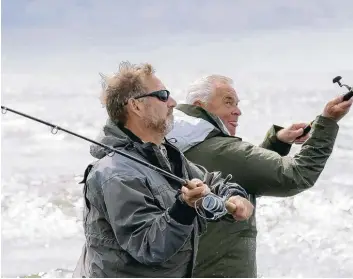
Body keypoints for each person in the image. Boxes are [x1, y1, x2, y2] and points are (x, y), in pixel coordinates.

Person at [73, 64, 254, 278]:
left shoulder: (166, 156)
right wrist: (185, 207)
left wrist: (236, 198)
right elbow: (149, 246)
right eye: (163, 96)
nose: (173, 103)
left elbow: (213, 182)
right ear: (136, 106)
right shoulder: (115, 174)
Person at [165, 75, 353, 277]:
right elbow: (297, 175)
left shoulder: (171, 145)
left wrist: (277, 143)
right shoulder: (223, 151)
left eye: (237, 104)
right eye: (228, 102)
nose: (238, 111)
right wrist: (327, 122)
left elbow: (237, 174)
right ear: (199, 105)